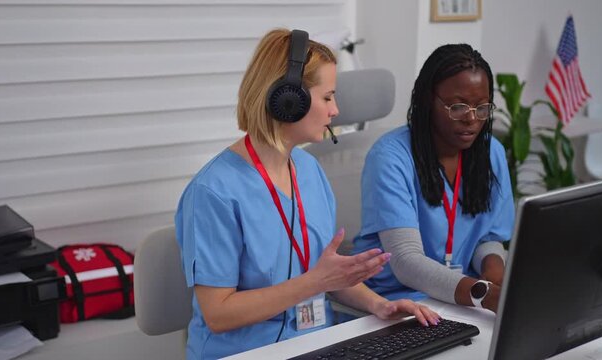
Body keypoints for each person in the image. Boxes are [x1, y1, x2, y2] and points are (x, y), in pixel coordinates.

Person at [174, 28, 440, 360]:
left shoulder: (309, 170)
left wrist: (380, 305)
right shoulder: (213, 192)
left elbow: (324, 273)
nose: (335, 110)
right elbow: (218, 314)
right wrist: (316, 282)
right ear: (288, 100)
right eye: (327, 97)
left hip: (316, 347)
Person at [352, 44, 515, 314]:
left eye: (482, 108)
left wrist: (496, 279)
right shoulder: (390, 157)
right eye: (459, 107)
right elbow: (406, 261)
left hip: (460, 298)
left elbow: (486, 238)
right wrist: (485, 295)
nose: (472, 120)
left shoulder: (491, 152)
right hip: (396, 304)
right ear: (429, 100)